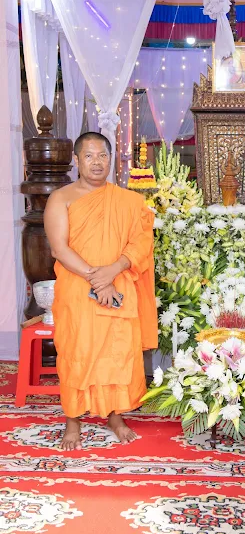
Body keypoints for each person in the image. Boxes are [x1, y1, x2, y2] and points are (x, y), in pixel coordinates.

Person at [44, 132, 157, 451]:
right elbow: (59, 249)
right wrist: (98, 279)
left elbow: (141, 242)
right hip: (79, 288)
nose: (97, 162)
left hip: (117, 284)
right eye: (89, 156)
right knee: (76, 352)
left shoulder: (129, 201)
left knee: (117, 353)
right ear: (77, 160)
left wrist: (113, 270)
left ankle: (115, 416)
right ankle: (73, 420)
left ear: (111, 160)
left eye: (103, 156)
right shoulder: (61, 198)